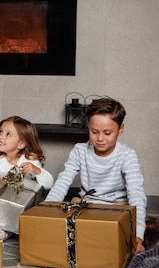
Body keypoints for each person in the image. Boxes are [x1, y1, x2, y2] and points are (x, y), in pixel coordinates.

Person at [44, 97, 147, 254]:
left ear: (121, 129)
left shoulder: (127, 155)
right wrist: (47, 208)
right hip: (86, 206)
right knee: (62, 232)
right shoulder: (80, 150)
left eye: (107, 133)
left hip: (116, 208)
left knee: (116, 241)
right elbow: (63, 180)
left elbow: (136, 193)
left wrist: (138, 232)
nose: (99, 138)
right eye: (94, 132)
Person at [0, 116, 54, 240]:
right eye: (0, 132)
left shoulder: (29, 160)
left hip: (18, 203)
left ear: (21, 144)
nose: (1, 136)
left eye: (8, 134)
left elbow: (49, 184)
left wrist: (37, 171)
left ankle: (3, 232)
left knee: (14, 215)